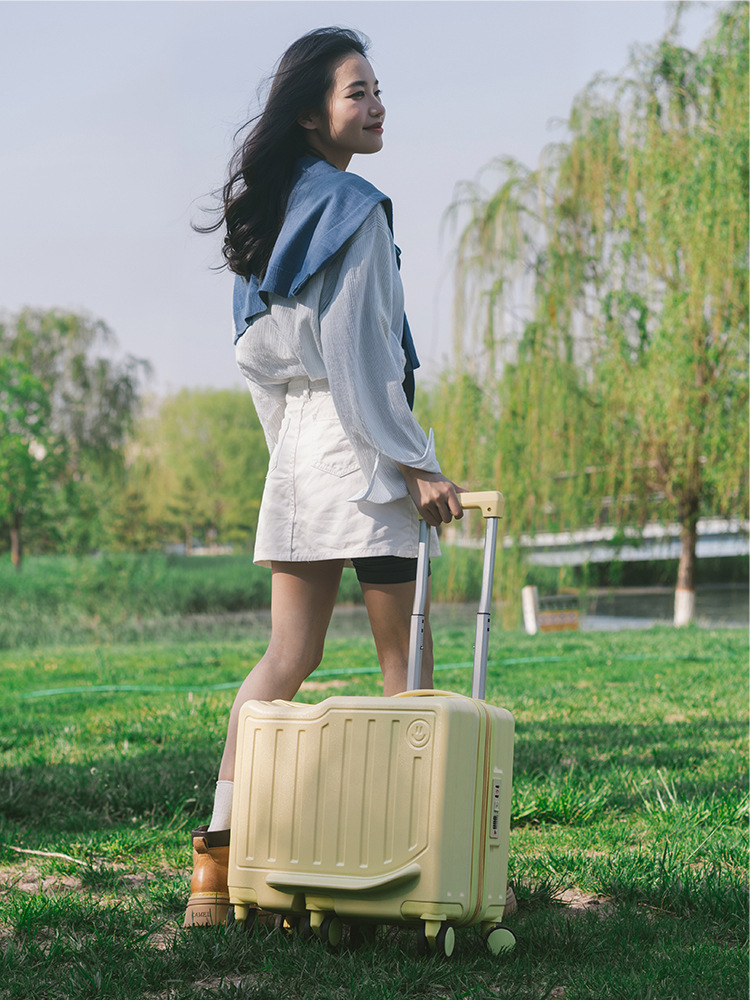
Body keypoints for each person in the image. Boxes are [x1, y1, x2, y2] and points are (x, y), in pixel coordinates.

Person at [184, 26, 464, 928]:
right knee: (405, 663)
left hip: (302, 456)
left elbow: (257, 365)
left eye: (377, 89)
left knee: (285, 659)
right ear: (312, 115)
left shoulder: (268, 219)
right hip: (366, 457)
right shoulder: (354, 207)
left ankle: (216, 862)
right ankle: (414, 860)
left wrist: (291, 460)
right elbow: (361, 354)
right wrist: (414, 461)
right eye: (357, 91)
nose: (377, 105)